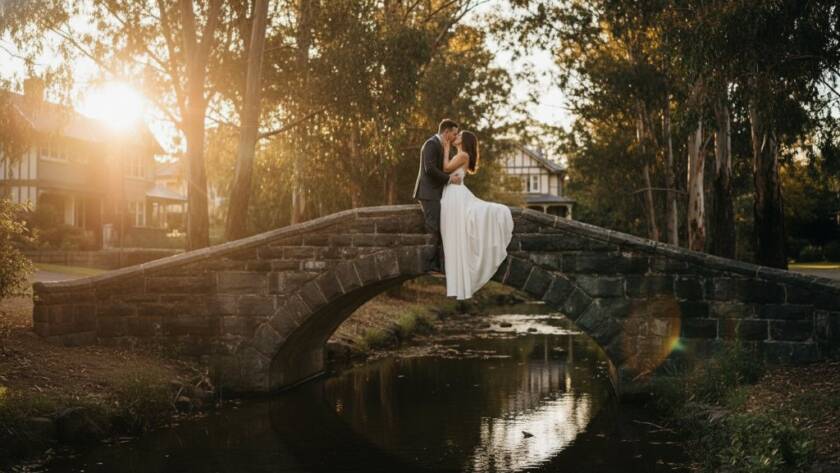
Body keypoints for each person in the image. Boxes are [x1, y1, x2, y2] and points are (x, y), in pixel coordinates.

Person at [439, 130, 513, 300]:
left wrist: (446, 146)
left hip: (455, 195)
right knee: (455, 233)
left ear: (464, 141)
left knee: (463, 226)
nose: (455, 137)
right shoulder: (460, 154)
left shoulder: (463, 154)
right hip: (453, 194)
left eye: (459, 136)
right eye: (455, 135)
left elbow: (445, 168)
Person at [412, 119, 463, 273]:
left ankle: (439, 264)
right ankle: (429, 265)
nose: (455, 137)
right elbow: (430, 169)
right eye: (454, 134)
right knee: (433, 227)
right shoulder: (431, 144)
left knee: (439, 227)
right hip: (428, 193)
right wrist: (449, 180)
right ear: (446, 132)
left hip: (436, 193)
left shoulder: (443, 146)